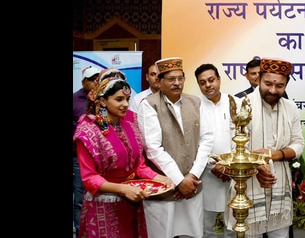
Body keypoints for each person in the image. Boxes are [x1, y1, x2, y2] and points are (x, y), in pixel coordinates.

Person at [73, 76, 175, 237]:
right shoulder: (87, 131)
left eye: (127, 99)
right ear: (103, 101)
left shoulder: (130, 122)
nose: (126, 104)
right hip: (103, 204)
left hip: (131, 202)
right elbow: (89, 178)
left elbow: (139, 165)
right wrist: (123, 189)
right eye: (119, 99)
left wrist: (158, 178)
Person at [225, 58, 304, 238]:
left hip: (279, 186)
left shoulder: (291, 108)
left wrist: (273, 155)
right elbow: (234, 146)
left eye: (280, 86)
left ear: (286, 85)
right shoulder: (241, 106)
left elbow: (298, 144)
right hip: (248, 185)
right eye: (268, 83)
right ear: (258, 79)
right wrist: (257, 165)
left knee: (280, 235)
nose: (273, 90)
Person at [138, 57, 215, 238]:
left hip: (192, 186)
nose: (177, 83)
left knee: (193, 233)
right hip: (164, 188)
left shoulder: (195, 102)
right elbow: (153, 147)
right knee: (162, 233)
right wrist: (179, 181)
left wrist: (192, 175)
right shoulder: (149, 105)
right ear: (159, 80)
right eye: (171, 79)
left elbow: (207, 139)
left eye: (180, 78)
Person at [194, 63, 237, 238]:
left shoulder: (234, 102)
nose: (208, 85)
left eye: (211, 80)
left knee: (233, 223)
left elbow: (243, 134)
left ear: (219, 79)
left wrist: (229, 166)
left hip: (233, 172)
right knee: (206, 224)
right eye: (202, 82)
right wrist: (213, 167)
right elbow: (194, 142)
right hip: (207, 173)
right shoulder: (195, 106)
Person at [72, 65, 100, 237]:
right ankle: (81, 232)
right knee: (80, 198)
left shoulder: (104, 99)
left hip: (101, 158)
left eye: (97, 78)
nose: (94, 82)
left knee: (99, 197)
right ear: (83, 81)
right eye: (91, 79)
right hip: (79, 158)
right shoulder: (74, 100)